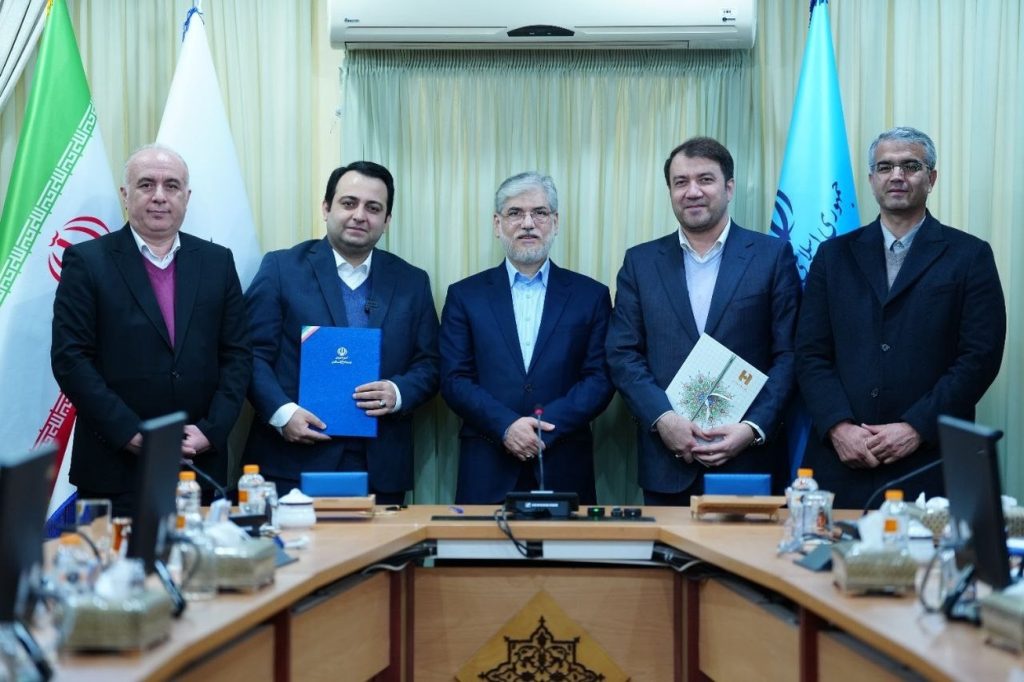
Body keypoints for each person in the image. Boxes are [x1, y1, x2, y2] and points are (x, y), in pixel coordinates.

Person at [796, 127, 1006, 508]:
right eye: (885, 167)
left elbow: (979, 358)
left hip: (929, 461)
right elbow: (810, 353)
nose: (897, 176)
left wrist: (916, 427)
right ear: (871, 179)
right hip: (843, 461)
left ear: (932, 178)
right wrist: (839, 428)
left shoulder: (969, 255)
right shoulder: (832, 256)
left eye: (910, 166)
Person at [51, 144, 252, 516]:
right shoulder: (87, 261)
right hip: (114, 467)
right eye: (146, 184)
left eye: (171, 186)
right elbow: (71, 359)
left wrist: (211, 430)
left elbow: (237, 355)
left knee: (198, 556)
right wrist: (128, 432)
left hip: (198, 465)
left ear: (186, 197)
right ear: (125, 195)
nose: (160, 196)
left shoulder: (217, 262)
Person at [606, 137, 801, 506]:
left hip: (748, 463)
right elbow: (623, 354)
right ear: (670, 191)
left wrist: (752, 428)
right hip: (667, 463)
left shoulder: (771, 256)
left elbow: (789, 354)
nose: (692, 191)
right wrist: (663, 419)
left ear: (729, 188)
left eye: (705, 179)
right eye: (681, 182)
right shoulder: (640, 263)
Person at [243, 162, 439, 505]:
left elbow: (431, 363)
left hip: (380, 466)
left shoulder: (412, 281)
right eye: (349, 203)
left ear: (387, 220)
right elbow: (249, 354)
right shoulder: (281, 269)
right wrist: (282, 413)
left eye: (373, 208)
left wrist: (398, 392)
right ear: (326, 208)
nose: (359, 215)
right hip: (292, 459)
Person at [439, 172, 614, 504]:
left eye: (540, 213)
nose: (528, 223)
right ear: (497, 224)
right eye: (515, 213)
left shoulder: (590, 296)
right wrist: (506, 426)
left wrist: (542, 427)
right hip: (487, 464)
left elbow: (600, 378)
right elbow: (454, 378)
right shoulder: (465, 295)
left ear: (555, 222)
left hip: (563, 460)